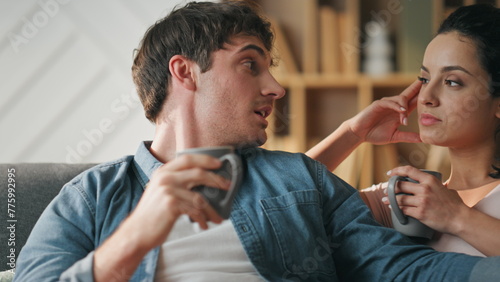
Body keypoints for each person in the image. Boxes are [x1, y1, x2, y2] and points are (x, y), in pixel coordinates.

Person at [13, 1, 500, 281]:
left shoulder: (298, 181)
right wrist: (136, 236)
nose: (276, 88)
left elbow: (404, 271)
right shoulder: (89, 199)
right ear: (184, 72)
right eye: (251, 64)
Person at [307, 4, 500, 257]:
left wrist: (456, 217)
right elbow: (283, 202)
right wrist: (352, 133)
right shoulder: (410, 197)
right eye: (424, 79)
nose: (426, 97)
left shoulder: (436, 201)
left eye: (452, 81)